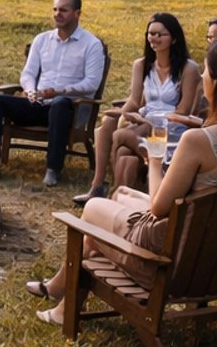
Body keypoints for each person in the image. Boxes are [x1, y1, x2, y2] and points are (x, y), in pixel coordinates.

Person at [31, 37, 217, 325]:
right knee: (121, 194)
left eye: (206, 72)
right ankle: (61, 301)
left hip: (174, 264)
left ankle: (62, 303)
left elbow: (157, 207)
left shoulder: (200, 141)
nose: (202, 78)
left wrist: (153, 161)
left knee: (92, 212)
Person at [0, 0, 108, 186]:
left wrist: (60, 91)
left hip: (70, 109)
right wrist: (29, 90)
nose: (57, 14)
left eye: (63, 10)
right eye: (55, 9)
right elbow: (27, 74)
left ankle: (53, 169)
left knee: (60, 104)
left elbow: (91, 83)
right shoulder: (42, 40)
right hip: (38, 104)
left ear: (77, 13)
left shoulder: (91, 45)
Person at [81, 12, 202, 205]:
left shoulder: (188, 68)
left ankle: (115, 190)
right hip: (144, 120)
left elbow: (184, 110)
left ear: (174, 38)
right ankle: (98, 186)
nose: (154, 38)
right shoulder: (141, 65)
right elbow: (135, 101)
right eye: (150, 34)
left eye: (160, 34)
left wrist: (149, 120)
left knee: (120, 139)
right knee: (108, 126)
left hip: (171, 124)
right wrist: (126, 113)